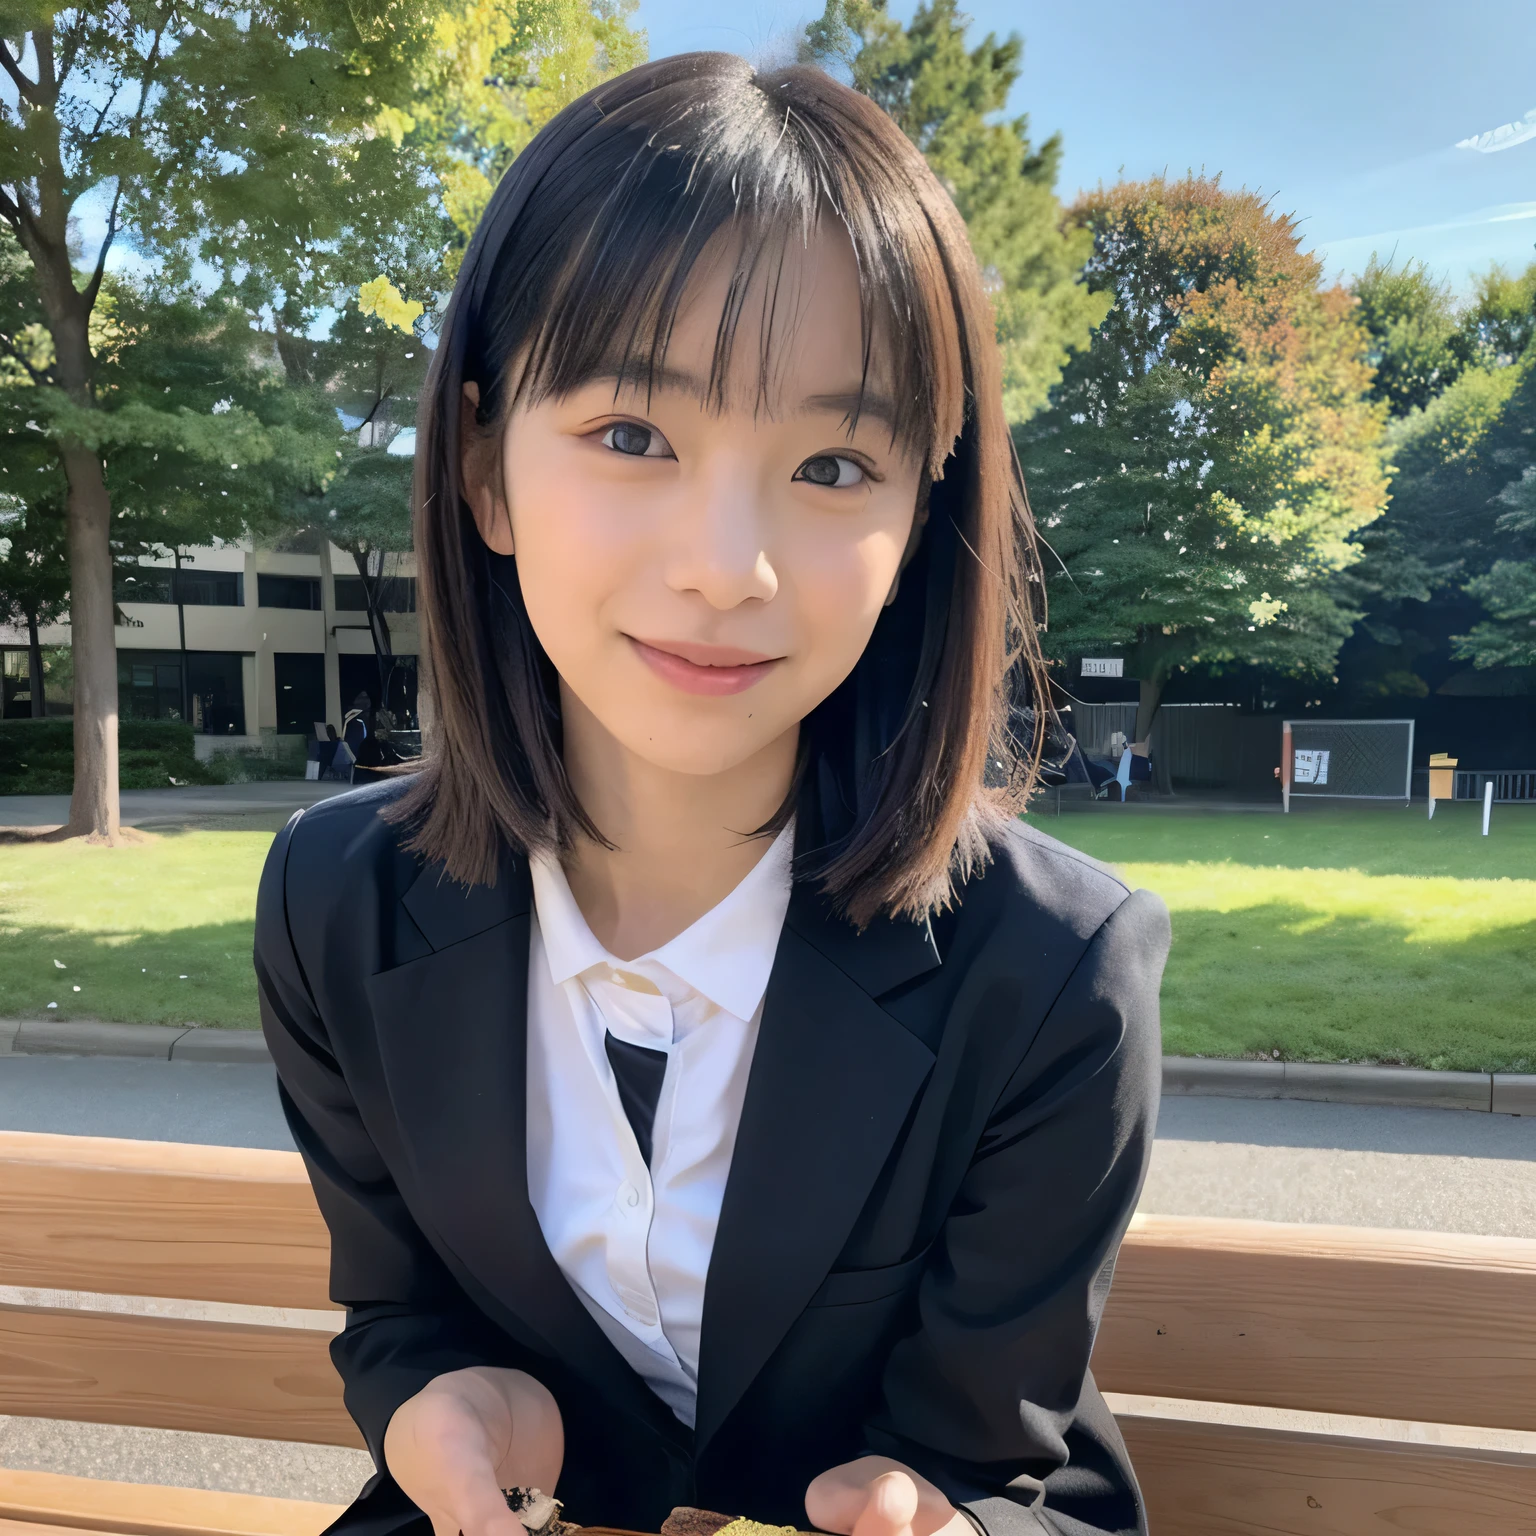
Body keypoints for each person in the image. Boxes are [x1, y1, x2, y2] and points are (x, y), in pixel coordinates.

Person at [255, 52, 1169, 1536]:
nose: (724, 566)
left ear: (918, 513)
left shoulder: (1051, 975)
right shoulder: (334, 904)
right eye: (633, 435)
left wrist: (932, 1513)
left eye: (829, 462)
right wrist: (451, 1404)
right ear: (485, 470)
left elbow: (1004, 1467)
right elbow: (396, 1311)